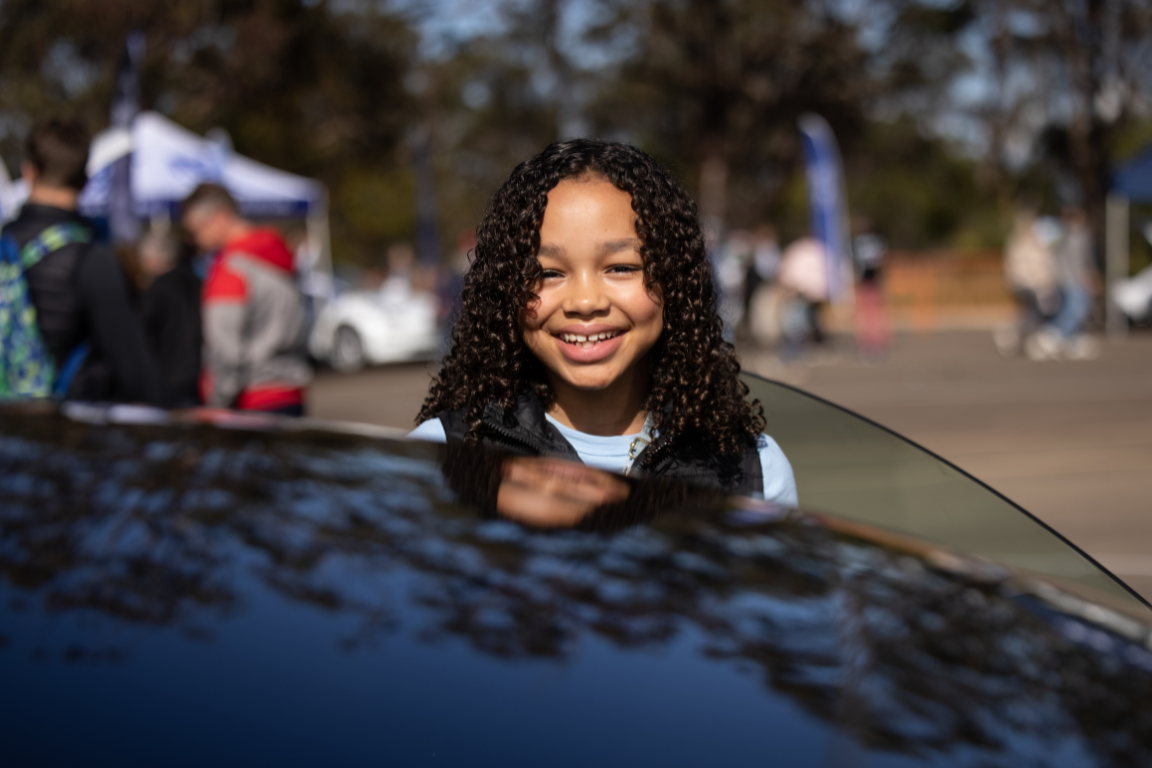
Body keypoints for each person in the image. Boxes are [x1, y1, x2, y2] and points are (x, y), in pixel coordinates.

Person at [410, 139, 797, 504]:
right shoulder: (436, 460)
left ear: (675, 282)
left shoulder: (754, 471)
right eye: (546, 272)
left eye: (621, 267)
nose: (585, 302)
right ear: (504, 289)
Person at [1, 119, 164, 403]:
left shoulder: (5, 242)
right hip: (60, 429)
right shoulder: (91, 259)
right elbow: (135, 372)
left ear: (28, 171)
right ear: (86, 181)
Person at [181, 183, 311, 415]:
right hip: (293, 391)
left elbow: (225, 352)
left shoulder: (230, 270)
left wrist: (217, 403)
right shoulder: (282, 255)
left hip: (250, 401)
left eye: (196, 230)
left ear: (220, 217)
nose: (194, 240)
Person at [139, 229, 202, 406]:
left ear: (154, 258)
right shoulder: (196, 282)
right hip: (199, 376)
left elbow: (144, 335)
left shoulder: (158, 289)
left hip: (169, 377)